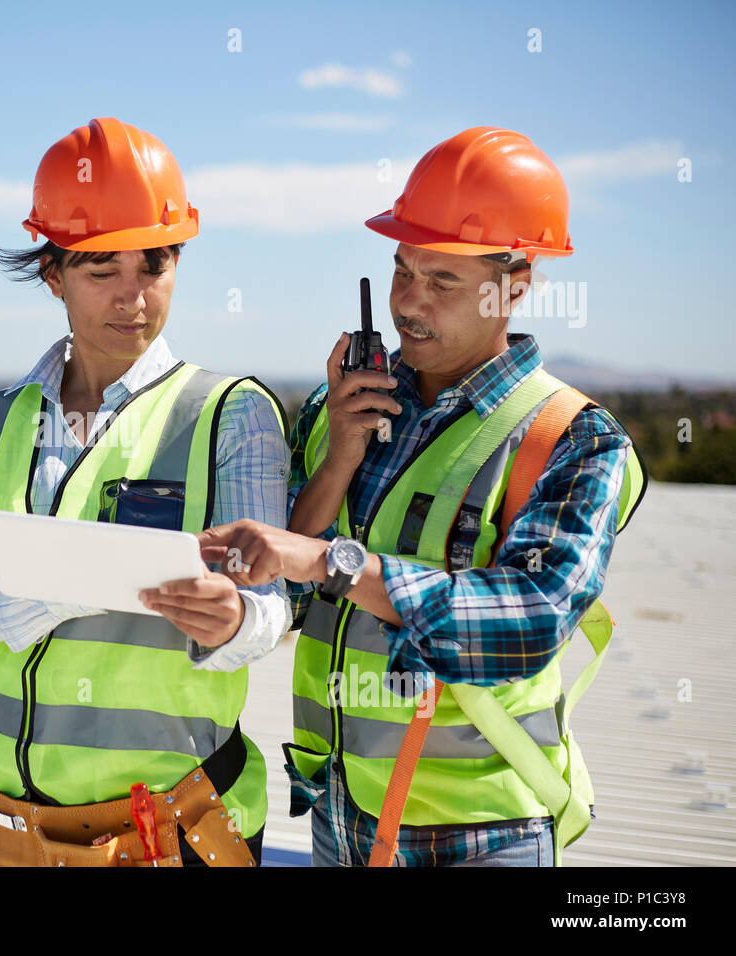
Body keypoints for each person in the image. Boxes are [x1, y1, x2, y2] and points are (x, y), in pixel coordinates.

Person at [197, 127, 646, 867]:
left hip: (481, 833)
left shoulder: (573, 437)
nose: (409, 302)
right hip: (338, 812)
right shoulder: (340, 408)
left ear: (514, 286)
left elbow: (532, 619)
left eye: (442, 282)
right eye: (402, 271)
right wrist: (338, 462)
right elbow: (284, 594)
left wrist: (335, 563)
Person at [0, 117, 292, 867]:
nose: (133, 299)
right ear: (52, 274)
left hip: (173, 834)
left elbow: (270, 610)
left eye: (154, 267)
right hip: (14, 834)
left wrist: (234, 622)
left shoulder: (232, 416)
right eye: (101, 272)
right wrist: (70, 581)